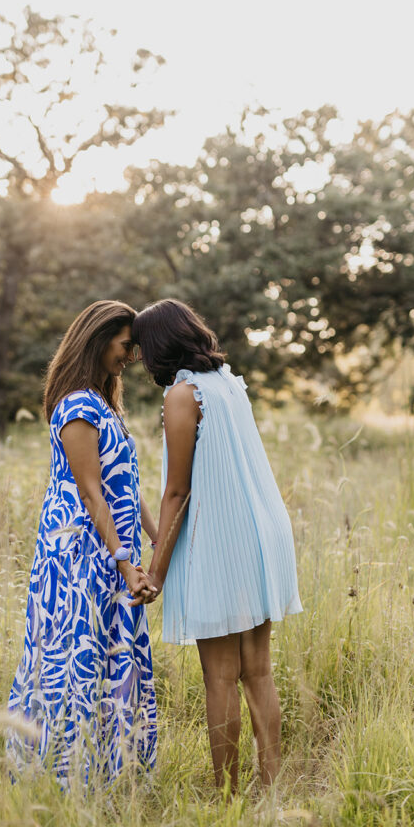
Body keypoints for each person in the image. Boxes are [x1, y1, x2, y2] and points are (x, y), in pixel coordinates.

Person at [133, 299, 302, 793]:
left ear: (160, 345)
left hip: (222, 541)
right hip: (264, 531)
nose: (141, 361)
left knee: (221, 678)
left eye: (143, 350)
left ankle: (227, 796)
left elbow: (178, 491)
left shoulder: (182, 394)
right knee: (259, 672)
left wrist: (157, 569)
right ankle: (270, 788)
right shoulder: (228, 381)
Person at [6, 301, 158, 790]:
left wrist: (159, 542)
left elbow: (126, 489)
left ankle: (109, 778)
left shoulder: (105, 406)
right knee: (75, 661)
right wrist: (122, 559)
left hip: (114, 554)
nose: (129, 356)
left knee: (110, 659)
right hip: (79, 557)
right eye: (124, 345)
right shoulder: (76, 406)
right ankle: (62, 780)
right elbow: (91, 491)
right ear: (98, 340)